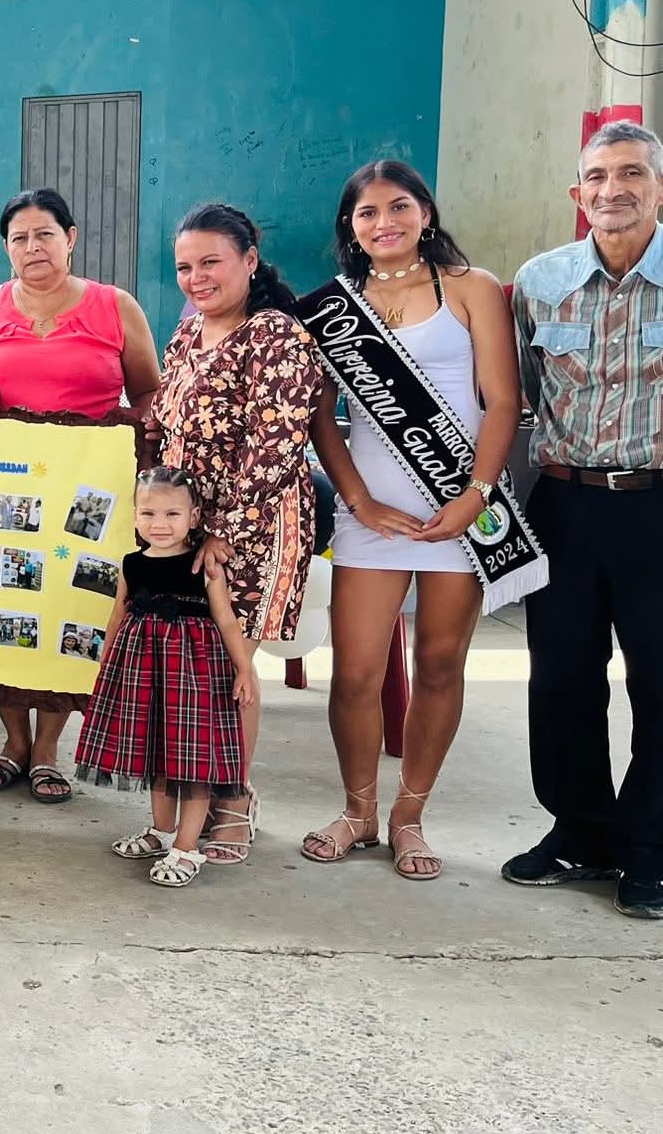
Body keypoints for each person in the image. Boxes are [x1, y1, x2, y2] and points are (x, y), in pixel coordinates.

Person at [302, 161, 529, 880]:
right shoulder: (336, 308)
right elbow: (321, 417)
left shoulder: (471, 287)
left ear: (425, 213)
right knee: (355, 674)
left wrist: (476, 495)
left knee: (438, 663)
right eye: (367, 213)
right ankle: (358, 811)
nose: (385, 223)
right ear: (350, 228)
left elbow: (503, 401)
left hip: (460, 506)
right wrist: (359, 501)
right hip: (374, 516)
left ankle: (409, 816)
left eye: (399, 207)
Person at [0, 189, 162, 807]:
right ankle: (13, 742)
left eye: (44, 234)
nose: (32, 247)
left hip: (86, 499)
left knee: (70, 610)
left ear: (71, 237)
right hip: (1, 494)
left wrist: (136, 447)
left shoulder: (114, 307)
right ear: (5, 248)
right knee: (1, 605)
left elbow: (148, 394)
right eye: (19, 238)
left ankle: (47, 748)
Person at [504, 120, 663, 921]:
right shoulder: (540, 281)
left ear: (659, 188)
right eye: (598, 176)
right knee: (562, 676)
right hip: (564, 502)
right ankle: (581, 832)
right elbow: (524, 391)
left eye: (632, 173)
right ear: (578, 192)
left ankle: (651, 848)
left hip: (658, 505)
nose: (613, 189)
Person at [147, 202, 326, 865]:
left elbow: (275, 449)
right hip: (186, 530)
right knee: (191, 668)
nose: (196, 278)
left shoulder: (276, 336)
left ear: (250, 260)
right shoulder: (186, 334)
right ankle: (195, 795)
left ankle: (233, 798)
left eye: (210, 262)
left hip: (252, 529)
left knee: (228, 668)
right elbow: (166, 427)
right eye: (184, 267)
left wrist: (222, 534)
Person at [76, 467, 257, 887]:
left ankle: (187, 847)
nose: (159, 524)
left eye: (172, 514)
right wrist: (108, 656)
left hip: (193, 674)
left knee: (192, 761)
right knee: (157, 752)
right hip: (143, 672)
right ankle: (162, 831)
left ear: (193, 518)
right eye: (148, 513)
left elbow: (226, 620)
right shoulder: (131, 563)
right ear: (135, 515)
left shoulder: (203, 566)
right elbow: (119, 612)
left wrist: (244, 669)